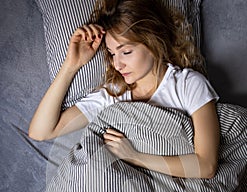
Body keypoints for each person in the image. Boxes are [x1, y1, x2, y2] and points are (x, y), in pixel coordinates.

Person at [29, 0, 220, 179]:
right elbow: (41, 132)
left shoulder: (188, 85)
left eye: (126, 52)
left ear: (154, 41)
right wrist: (72, 64)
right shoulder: (112, 95)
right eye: (112, 53)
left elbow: (206, 165)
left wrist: (135, 157)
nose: (117, 64)